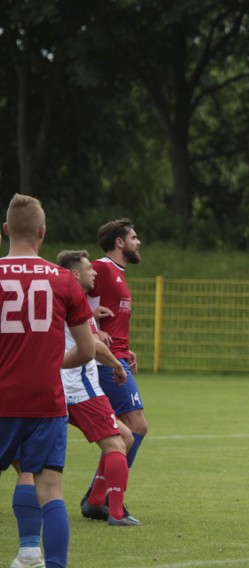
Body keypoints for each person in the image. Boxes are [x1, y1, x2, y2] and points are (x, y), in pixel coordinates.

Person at [1, 194, 97, 568]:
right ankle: (41, 559)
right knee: (50, 489)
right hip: (45, 402)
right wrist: (51, 364)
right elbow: (88, 350)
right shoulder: (63, 280)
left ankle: (28, 552)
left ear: (7, 230)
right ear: (42, 233)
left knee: (26, 476)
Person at [58, 250, 140, 525]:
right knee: (118, 442)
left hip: (61, 386)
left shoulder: (68, 300)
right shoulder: (76, 300)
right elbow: (91, 347)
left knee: (126, 437)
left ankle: (95, 500)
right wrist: (117, 366)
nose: (94, 272)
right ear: (75, 274)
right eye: (88, 269)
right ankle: (116, 513)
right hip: (79, 389)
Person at [82, 218, 146, 519]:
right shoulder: (103, 267)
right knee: (136, 427)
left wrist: (124, 347)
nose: (138, 242)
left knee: (120, 431)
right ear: (119, 242)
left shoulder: (117, 273)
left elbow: (107, 315)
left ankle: (98, 497)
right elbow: (72, 290)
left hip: (118, 355)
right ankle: (104, 498)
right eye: (134, 237)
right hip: (107, 361)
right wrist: (91, 325)